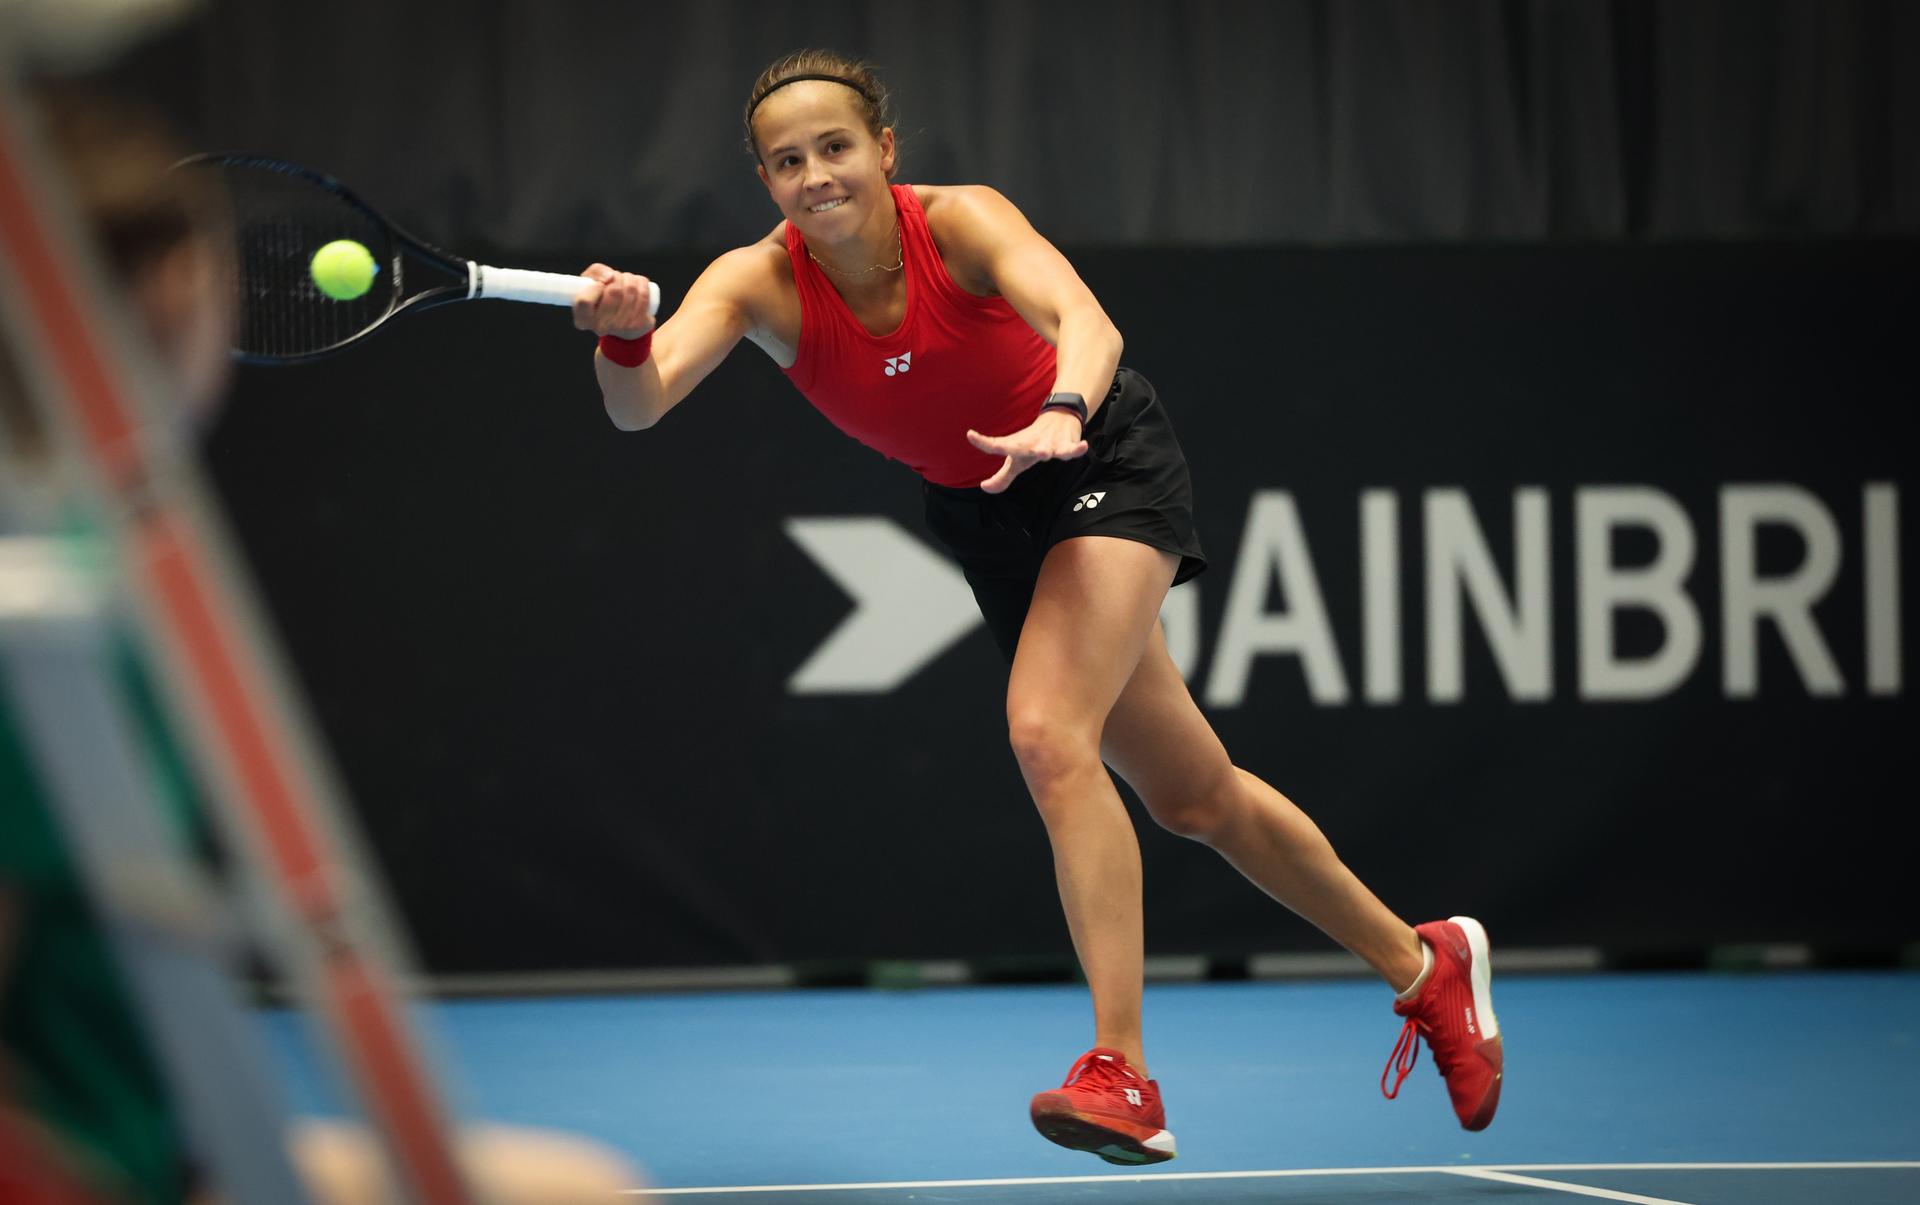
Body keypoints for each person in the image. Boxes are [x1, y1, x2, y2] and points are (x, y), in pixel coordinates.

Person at [572, 49, 1503, 1166]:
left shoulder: (961, 222)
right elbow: (640, 404)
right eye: (787, 161)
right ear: (765, 180)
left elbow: (1086, 322)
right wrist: (623, 333)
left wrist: (1062, 408)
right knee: (1195, 795)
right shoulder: (754, 283)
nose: (815, 175)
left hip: (1096, 453)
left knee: (1048, 734)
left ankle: (1123, 1070)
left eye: (835, 147)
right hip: (988, 516)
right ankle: (1425, 964)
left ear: (884, 150)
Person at [0, 84, 645, 1203]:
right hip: (94, 1177)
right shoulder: (45, 610)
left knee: (578, 1188)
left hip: (156, 1149)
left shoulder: (90, 559)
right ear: (171, 288)